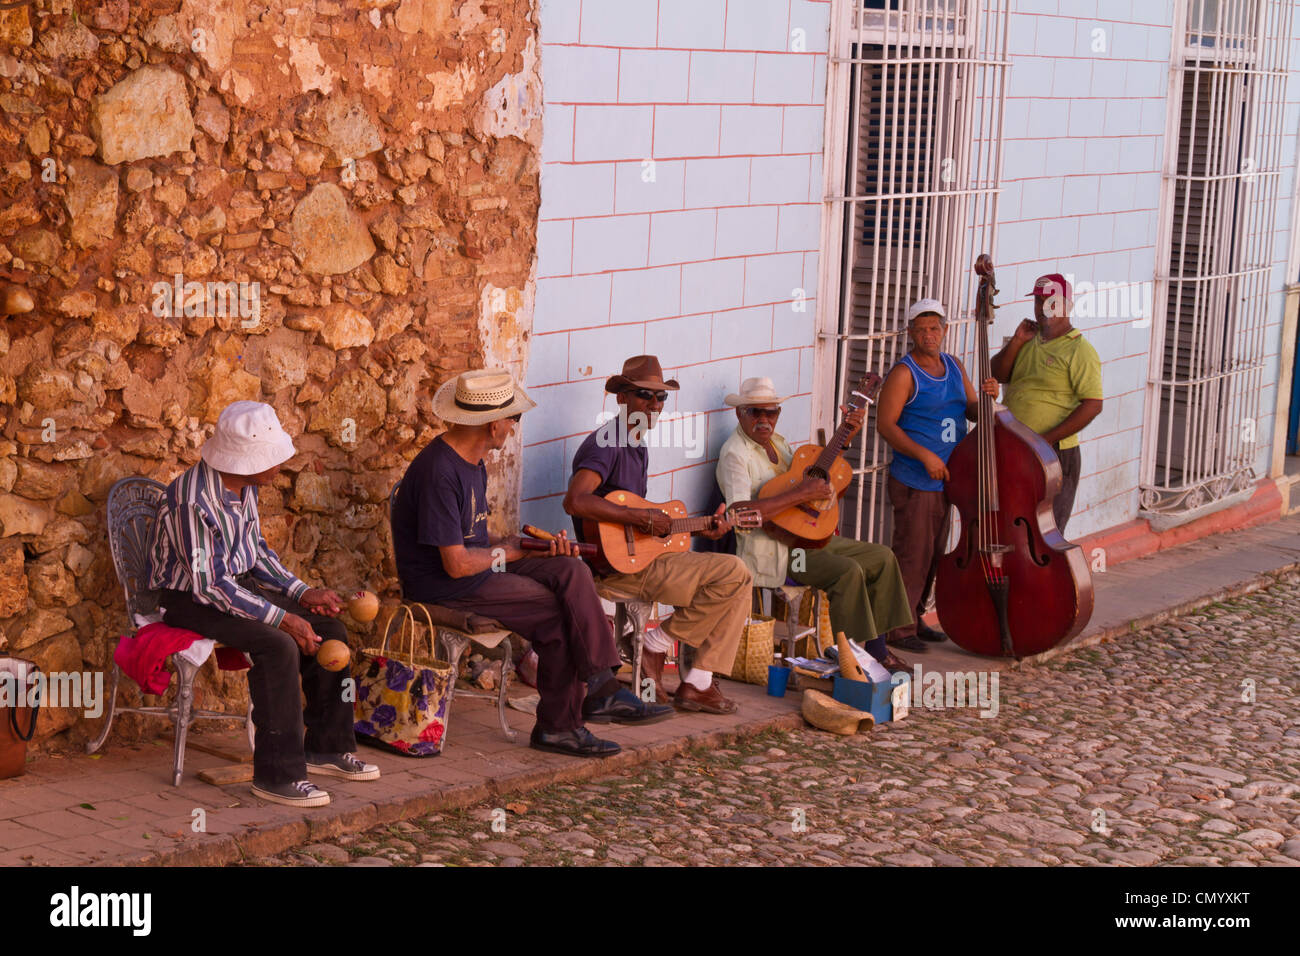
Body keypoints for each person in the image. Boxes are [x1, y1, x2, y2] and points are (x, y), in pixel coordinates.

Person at [393, 368, 672, 761]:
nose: (513, 427)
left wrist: (525, 545)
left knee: (570, 569)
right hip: (446, 584)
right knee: (556, 612)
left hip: (477, 569)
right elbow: (455, 563)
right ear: (492, 424)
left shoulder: (472, 460)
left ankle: (602, 684)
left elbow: (474, 537)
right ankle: (561, 727)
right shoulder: (440, 471)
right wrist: (513, 552)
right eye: (514, 418)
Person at [150, 401, 378, 809]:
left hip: (233, 586)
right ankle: (277, 775)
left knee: (332, 631)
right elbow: (210, 586)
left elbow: (256, 553)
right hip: (189, 599)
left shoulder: (245, 487)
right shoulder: (191, 500)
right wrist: (282, 618)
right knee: (278, 644)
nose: (280, 466)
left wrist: (302, 593)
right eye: (271, 458)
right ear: (243, 460)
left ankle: (327, 747)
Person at [564, 355, 751, 713]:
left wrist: (702, 529)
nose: (653, 405)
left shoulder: (635, 443)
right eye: (643, 395)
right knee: (735, 575)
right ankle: (659, 649)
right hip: (615, 571)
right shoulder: (607, 442)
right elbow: (575, 500)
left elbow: (640, 525)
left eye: (660, 398)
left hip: (639, 562)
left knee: (735, 575)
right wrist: (638, 516)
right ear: (622, 398)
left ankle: (693, 678)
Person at [715, 376, 913, 673]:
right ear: (739, 413)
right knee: (848, 572)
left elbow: (810, 477)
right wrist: (800, 493)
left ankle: (878, 650)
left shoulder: (778, 444)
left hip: (807, 537)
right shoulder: (735, 454)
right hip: (777, 551)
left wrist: (844, 438)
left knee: (882, 557)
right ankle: (851, 662)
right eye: (755, 412)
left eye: (771, 412)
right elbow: (739, 515)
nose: (764, 420)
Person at [876, 298, 998, 652]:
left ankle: (916, 617)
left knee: (933, 553)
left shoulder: (954, 366)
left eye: (935, 328)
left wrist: (990, 398)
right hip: (916, 479)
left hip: (949, 477)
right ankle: (897, 629)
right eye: (922, 328)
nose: (929, 334)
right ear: (911, 332)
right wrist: (923, 454)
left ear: (943, 331)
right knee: (912, 554)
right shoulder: (904, 373)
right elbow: (886, 424)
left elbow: (973, 410)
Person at [990, 273, 1104, 533]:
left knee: (1045, 532)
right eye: (1039, 302)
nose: (1043, 309)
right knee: (1010, 524)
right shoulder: (1028, 339)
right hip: (1014, 448)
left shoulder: (1080, 350)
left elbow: (1093, 404)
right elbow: (998, 374)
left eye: (1051, 302)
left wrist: (1045, 440)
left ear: (1067, 306)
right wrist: (1018, 341)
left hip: (1054, 453)